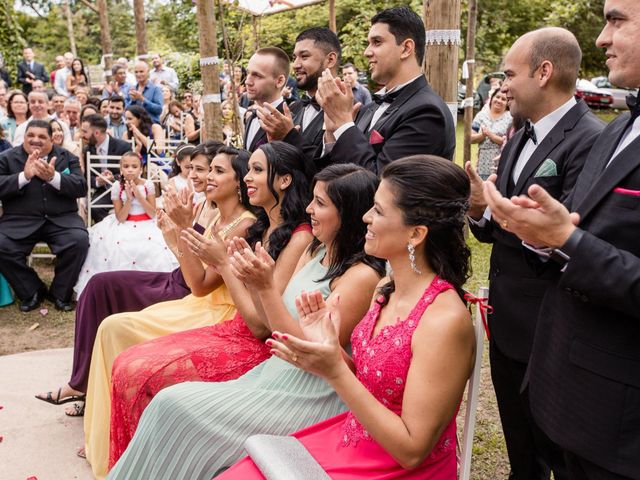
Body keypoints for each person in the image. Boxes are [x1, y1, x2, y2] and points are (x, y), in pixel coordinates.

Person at [107, 161, 384, 480]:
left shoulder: (360, 276)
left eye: (320, 203)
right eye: (312, 198)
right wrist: (252, 280)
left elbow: (306, 353)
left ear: (348, 213)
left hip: (307, 393)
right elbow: (268, 318)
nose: (309, 207)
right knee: (168, 405)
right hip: (272, 374)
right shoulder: (316, 251)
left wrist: (262, 286)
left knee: (173, 406)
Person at [216, 155, 475, 480]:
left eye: (379, 211)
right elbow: (371, 378)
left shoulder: (443, 320)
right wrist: (325, 347)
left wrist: (335, 371)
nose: (366, 216)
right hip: (353, 439)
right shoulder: (386, 287)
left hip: (393, 466)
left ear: (415, 233)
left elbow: (412, 450)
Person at [85, 141, 312, 478]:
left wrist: (220, 259)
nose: (248, 176)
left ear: (285, 181)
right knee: (125, 359)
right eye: (248, 169)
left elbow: (261, 327)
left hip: (254, 343)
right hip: (232, 326)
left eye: (256, 170)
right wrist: (181, 232)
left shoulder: (297, 236)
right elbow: (201, 283)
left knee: (137, 369)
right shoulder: (264, 228)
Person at [482, 2, 640, 478]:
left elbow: (579, 239)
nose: (601, 39)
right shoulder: (621, 132)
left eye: (617, 20)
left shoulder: (592, 134)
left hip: (618, 418)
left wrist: (564, 239)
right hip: (564, 379)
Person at [466, 27, 605, 480]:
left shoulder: (588, 138)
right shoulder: (520, 133)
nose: (502, 87)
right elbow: (495, 228)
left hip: (551, 325)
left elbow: (579, 238)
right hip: (507, 319)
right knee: (519, 449)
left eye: (509, 74)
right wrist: (479, 210)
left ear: (544, 72)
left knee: (556, 453)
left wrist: (524, 227)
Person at [34, 141, 222, 415]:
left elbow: (200, 275)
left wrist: (181, 228)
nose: (193, 174)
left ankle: (89, 390)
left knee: (110, 303)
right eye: (191, 168)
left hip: (189, 291)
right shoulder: (201, 201)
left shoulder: (225, 212)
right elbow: (179, 250)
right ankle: (82, 382)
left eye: (204, 169)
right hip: (175, 275)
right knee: (98, 284)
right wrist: (170, 230)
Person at [319, 7, 455, 174]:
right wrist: (333, 133)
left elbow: (381, 184)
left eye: (377, 42)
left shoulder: (427, 112)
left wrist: (344, 123)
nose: (366, 52)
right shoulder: (369, 108)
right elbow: (337, 175)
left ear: (406, 48)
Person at [0, 120, 88, 312]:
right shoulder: (7, 158)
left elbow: (81, 187)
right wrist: (24, 176)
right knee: (1, 245)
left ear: (52, 139)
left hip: (62, 219)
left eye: (42, 137)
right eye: (30, 135)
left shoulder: (67, 157)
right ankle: (32, 290)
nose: (35, 140)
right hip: (20, 220)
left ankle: (59, 293)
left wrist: (53, 177)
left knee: (79, 241)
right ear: (24, 137)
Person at [73, 151, 177, 296]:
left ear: (141, 169)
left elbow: (152, 213)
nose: (130, 169)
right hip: (125, 223)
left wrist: (138, 195)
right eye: (126, 166)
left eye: (134, 166)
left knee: (154, 249)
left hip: (147, 222)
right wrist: (128, 199)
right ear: (121, 169)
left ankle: (152, 289)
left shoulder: (148, 185)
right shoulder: (117, 186)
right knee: (117, 248)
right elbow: (120, 217)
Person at [259, 27, 341, 169]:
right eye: (294, 58)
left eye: (304, 56)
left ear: (330, 60)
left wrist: (289, 136)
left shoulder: (349, 110)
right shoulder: (293, 108)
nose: (296, 65)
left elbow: (333, 170)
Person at [81, 114, 132, 224]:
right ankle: (110, 231)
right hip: (103, 190)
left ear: (97, 133)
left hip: (124, 188)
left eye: (85, 132)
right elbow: (86, 177)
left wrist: (113, 178)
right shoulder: (87, 150)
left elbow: (131, 173)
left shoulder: (123, 147)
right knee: (94, 207)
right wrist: (97, 181)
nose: (82, 135)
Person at [243, 48, 289, 152]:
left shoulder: (288, 121)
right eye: (248, 73)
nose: (247, 81)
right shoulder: (251, 117)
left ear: (279, 81)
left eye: (257, 75)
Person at [471, 89, 513, 180]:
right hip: (482, 163)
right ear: (492, 98)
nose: (499, 100)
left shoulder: (510, 118)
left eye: (503, 99)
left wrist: (490, 135)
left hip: (501, 162)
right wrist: (482, 135)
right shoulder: (481, 115)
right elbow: (470, 138)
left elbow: (510, 142)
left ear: (507, 103)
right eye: (497, 97)